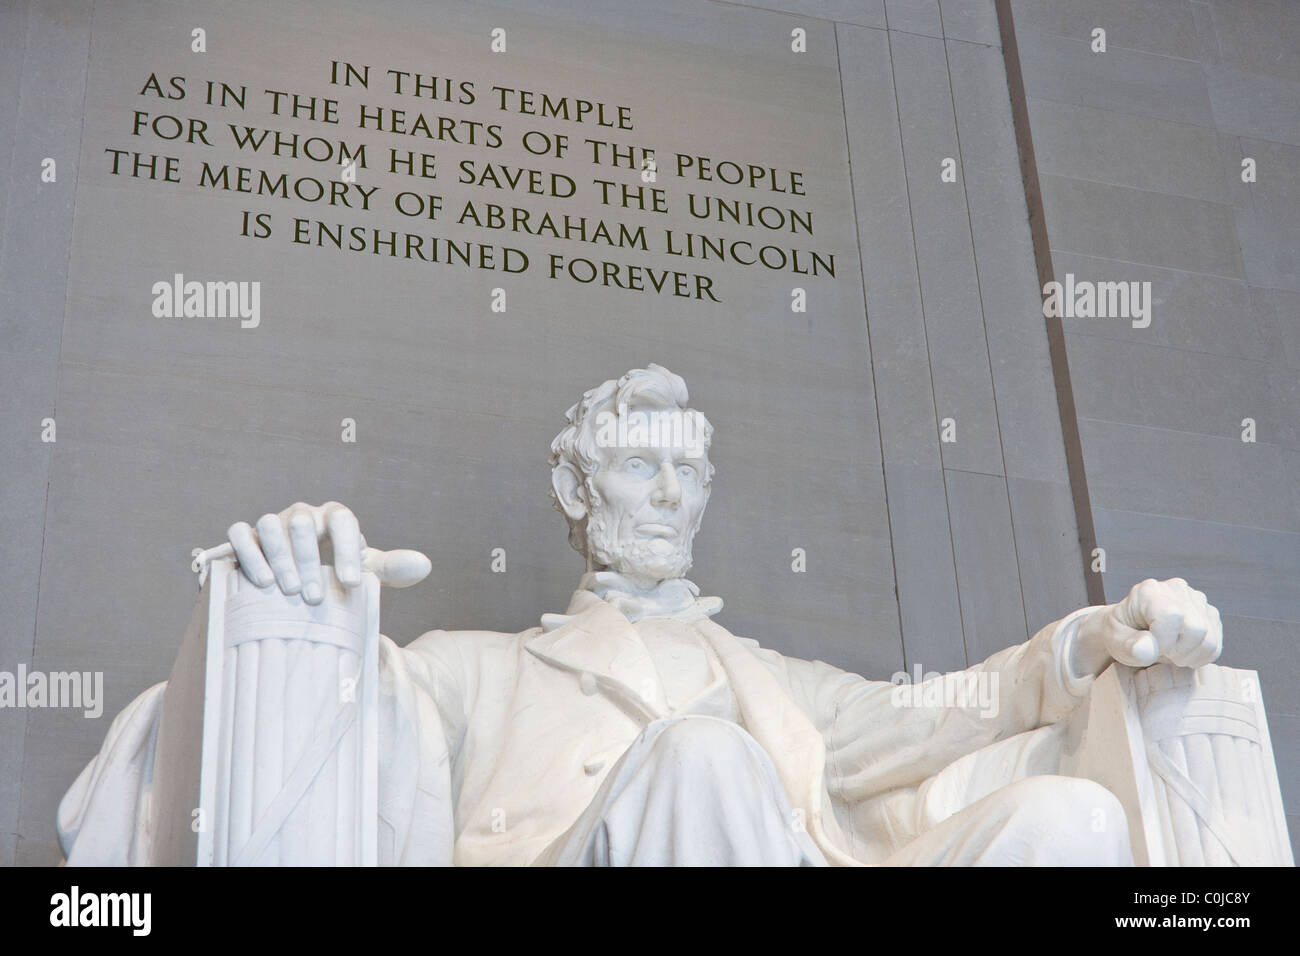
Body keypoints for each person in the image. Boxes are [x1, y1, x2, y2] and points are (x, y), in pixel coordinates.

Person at [59, 364, 1223, 865]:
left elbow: (934, 713)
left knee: (1069, 817)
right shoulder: (477, 666)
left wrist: (1091, 637)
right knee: (707, 756)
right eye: (634, 466)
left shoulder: (770, 676)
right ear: (575, 490)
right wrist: (308, 589)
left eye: (687, 473)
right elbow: (350, 722)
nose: (669, 495)